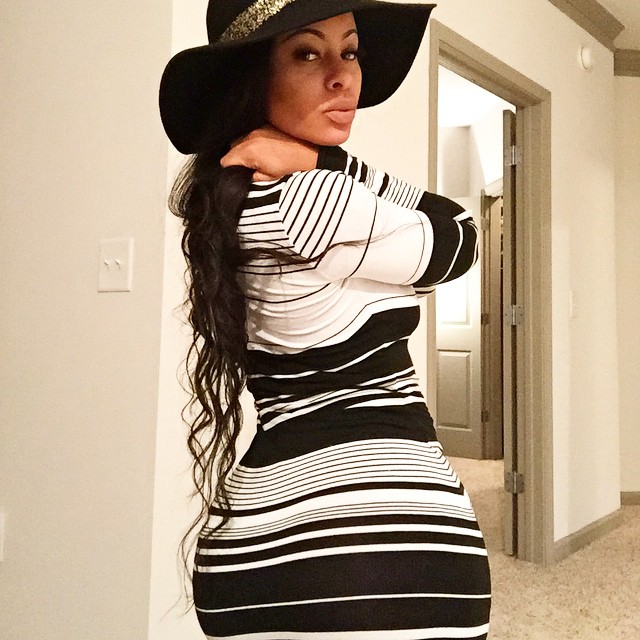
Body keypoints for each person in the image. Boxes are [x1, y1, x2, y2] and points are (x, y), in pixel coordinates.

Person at [159, 1, 491, 638]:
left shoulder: (236, 197)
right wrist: (325, 166)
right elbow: (460, 236)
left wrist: (312, 159)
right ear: (254, 77)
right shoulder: (313, 201)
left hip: (252, 544)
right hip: (375, 550)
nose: (343, 75)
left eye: (351, 50)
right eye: (308, 53)